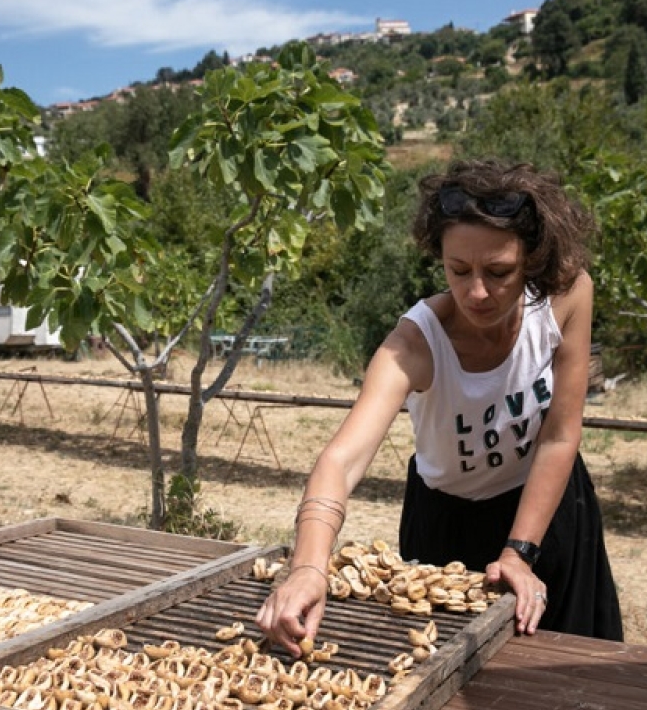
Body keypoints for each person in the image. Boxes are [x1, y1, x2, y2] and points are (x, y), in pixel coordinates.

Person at [256, 159, 623, 656]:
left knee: (571, 662)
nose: (476, 291)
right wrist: (307, 566)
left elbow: (559, 435)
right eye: (458, 270)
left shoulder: (567, 296)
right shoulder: (414, 345)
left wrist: (519, 552)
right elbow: (340, 461)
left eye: (499, 272)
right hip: (448, 523)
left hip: (546, 506)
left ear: (533, 260)